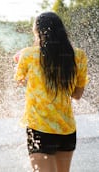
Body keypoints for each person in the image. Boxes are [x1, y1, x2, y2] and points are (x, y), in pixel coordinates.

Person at [14, 12, 88, 172]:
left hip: (40, 128)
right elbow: (77, 95)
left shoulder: (28, 54)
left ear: (38, 32)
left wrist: (20, 61)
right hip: (66, 130)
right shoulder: (79, 56)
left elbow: (20, 80)